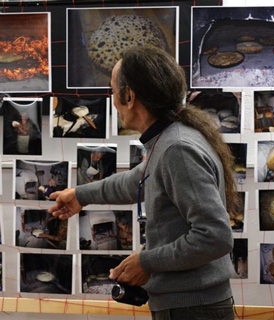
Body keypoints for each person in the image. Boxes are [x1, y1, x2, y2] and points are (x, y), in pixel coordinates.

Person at [49, 46, 239, 320]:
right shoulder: (169, 140)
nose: (112, 101)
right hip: (188, 305)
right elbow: (135, 180)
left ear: (129, 96)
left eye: (113, 91)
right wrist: (80, 194)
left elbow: (215, 237)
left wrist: (146, 262)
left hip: (192, 308)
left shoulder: (177, 148)